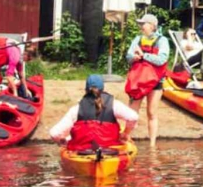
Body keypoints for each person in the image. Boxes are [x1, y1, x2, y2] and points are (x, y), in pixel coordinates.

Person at [50, 74, 138, 150]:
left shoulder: (76, 108)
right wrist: (125, 133)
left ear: (86, 89)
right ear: (102, 88)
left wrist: (63, 142)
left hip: (82, 152)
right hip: (109, 150)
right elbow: (133, 117)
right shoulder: (114, 104)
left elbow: (54, 133)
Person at [124, 13, 171, 145]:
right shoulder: (137, 39)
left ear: (152, 26)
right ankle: (126, 138)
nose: (141, 26)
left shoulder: (162, 41)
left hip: (156, 81)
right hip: (138, 81)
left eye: (143, 24)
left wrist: (144, 55)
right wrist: (134, 57)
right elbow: (128, 56)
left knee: (151, 112)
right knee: (132, 112)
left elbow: (162, 59)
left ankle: (152, 145)